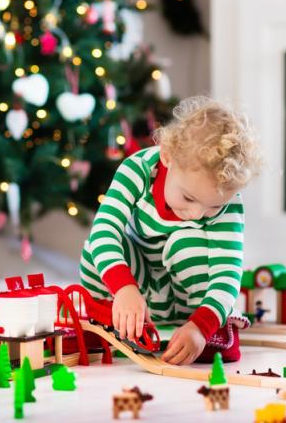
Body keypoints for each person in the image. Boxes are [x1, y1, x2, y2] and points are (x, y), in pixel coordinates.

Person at [80, 95, 263, 365]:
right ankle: (111, 321)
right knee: (93, 249)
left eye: (213, 207)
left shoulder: (228, 201)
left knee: (185, 240)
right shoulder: (138, 170)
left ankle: (209, 332)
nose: (197, 214)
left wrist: (201, 327)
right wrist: (124, 289)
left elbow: (228, 275)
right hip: (140, 291)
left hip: (189, 301)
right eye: (189, 198)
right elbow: (104, 231)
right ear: (167, 156)